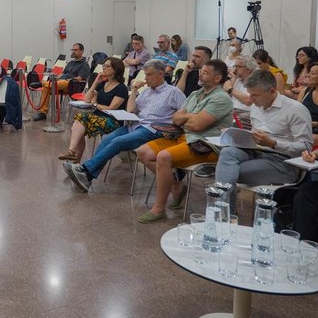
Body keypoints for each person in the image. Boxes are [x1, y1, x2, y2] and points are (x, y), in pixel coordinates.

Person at [63, 59, 185, 189]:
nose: (146, 78)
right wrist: (133, 90)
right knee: (107, 139)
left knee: (118, 142)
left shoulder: (173, 92)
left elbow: (185, 112)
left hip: (153, 129)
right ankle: (87, 176)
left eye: (149, 75)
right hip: (136, 125)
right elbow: (131, 109)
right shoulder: (147, 91)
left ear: (160, 74)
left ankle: (86, 171)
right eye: (145, 75)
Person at [137, 60, 233, 223]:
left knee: (164, 157)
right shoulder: (196, 94)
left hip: (205, 145)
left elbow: (196, 125)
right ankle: (176, 184)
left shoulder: (221, 98)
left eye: (205, 72)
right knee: (143, 152)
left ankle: (159, 209)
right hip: (184, 137)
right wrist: (189, 117)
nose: (200, 74)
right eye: (201, 70)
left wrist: (187, 118)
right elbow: (175, 119)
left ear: (217, 78)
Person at [214, 69, 312, 206]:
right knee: (227, 152)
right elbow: (255, 135)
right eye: (250, 94)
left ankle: (222, 210)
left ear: (272, 91)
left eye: (256, 95)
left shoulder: (296, 110)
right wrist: (237, 136)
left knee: (227, 172)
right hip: (256, 152)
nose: (251, 100)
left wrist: (273, 143)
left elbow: (306, 146)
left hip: (283, 161)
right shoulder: (256, 106)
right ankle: (225, 209)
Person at [57, 57, 128, 161]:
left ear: (116, 69)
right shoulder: (103, 84)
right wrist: (95, 83)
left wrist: (95, 104)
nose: (103, 68)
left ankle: (74, 157)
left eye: (107, 66)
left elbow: (111, 108)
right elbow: (86, 100)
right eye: (103, 65)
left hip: (112, 120)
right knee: (79, 125)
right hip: (97, 116)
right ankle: (72, 154)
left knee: (80, 123)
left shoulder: (121, 88)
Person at [32, 43, 91, 121]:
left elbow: (79, 79)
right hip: (60, 83)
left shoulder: (85, 65)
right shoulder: (71, 63)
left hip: (72, 85)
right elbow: (63, 73)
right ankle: (43, 113)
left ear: (82, 51)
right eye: (72, 50)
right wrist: (56, 78)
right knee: (46, 88)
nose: (73, 51)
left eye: (76, 50)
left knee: (61, 83)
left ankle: (42, 83)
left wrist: (66, 80)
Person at [223, 55, 257, 130]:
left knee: (224, 124)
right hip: (232, 111)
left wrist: (230, 89)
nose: (235, 69)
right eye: (234, 66)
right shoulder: (237, 79)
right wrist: (233, 80)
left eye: (238, 67)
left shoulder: (255, 81)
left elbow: (248, 100)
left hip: (246, 114)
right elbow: (225, 98)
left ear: (248, 69)